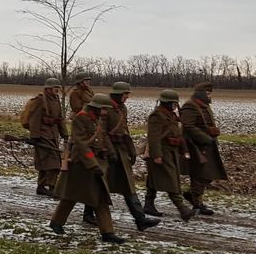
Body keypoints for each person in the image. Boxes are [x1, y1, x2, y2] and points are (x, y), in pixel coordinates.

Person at [49, 93, 126, 244]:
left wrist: (111, 153)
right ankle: (56, 223)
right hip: (81, 165)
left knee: (100, 198)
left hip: (94, 163)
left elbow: (103, 137)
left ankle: (107, 233)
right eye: (104, 109)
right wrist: (92, 164)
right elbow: (82, 144)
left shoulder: (97, 119)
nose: (106, 112)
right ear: (96, 107)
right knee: (70, 196)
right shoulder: (80, 119)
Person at [100, 81, 160, 231]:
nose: (127, 97)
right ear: (119, 94)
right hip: (108, 152)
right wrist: (110, 152)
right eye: (125, 94)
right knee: (100, 185)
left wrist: (131, 151)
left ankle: (140, 219)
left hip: (121, 150)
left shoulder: (122, 108)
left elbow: (124, 132)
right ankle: (88, 213)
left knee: (127, 185)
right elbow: (101, 132)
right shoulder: (105, 108)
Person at [143, 89, 197, 221]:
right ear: (166, 103)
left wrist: (184, 150)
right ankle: (183, 210)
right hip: (162, 152)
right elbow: (153, 138)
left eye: (175, 103)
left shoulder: (171, 116)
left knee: (154, 179)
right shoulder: (156, 116)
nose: (175, 106)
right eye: (173, 103)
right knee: (171, 180)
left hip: (171, 152)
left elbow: (178, 134)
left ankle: (148, 205)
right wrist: (156, 155)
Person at [180, 82, 228, 215]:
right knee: (200, 174)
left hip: (206, 146)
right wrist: (205, 136)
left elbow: (203, 124)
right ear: (200, 93)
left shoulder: (204, 106)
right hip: (195, 146)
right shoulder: (190, 106)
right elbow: (188, 126)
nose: (209, 95)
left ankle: (193, 196)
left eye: (210, 93)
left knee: (207, 174)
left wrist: (211, 133)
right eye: (207, 93)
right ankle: (196, 202)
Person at [28, 77, 68, 197]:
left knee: (46, 162)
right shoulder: (40, 100)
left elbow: (60, 119)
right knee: (53, 163)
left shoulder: (56, 100)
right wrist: (35, 136)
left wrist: (64, 134)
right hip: (43, 135)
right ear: (48, 89)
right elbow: (34, 119)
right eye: (54, 88)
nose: (57, 90)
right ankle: (52, 187)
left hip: (53, 135)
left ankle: (41, 186)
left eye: (57, 88)